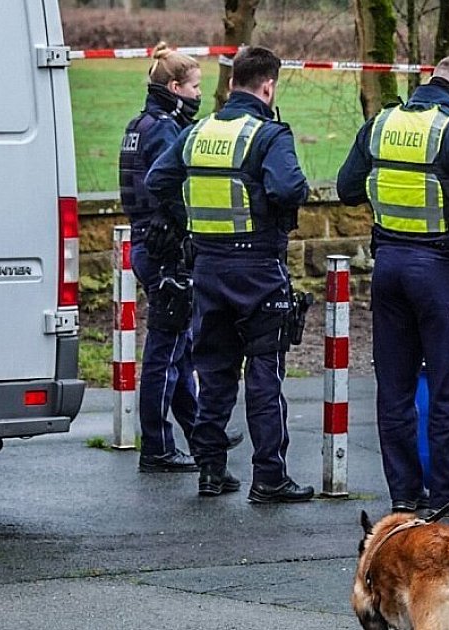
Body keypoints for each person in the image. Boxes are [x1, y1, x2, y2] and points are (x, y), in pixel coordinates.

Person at [336, 56, 449, 517]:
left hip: (387, 266)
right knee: (448, 382)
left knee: (394, 387)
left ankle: (404, 494)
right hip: (440, 271)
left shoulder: (381, 125)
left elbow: (347, 188)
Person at [146, 46, 313, 503]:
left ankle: (211, 471)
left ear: (231, 82)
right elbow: (287, 187)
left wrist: (191, 221)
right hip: (258, 267)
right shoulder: (269, 134)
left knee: (214, 371)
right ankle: (269, 477)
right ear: (268, 86)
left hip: (208, 266)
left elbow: (157, 180)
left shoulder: (199, 132)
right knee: (264, 373)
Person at [119, 43, 209, 473]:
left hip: (145, 244)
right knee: (165, 353)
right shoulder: (166, 130)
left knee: (179, 350)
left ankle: (197, 434)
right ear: (174, 87)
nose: (198, 96)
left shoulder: (140, 124)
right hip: (164, 251)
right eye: (194, 87)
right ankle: (156, 446)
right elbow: (170, 187)